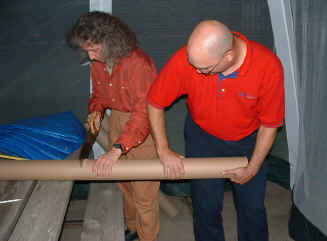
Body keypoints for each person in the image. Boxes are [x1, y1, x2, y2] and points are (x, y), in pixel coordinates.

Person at [147, 20, 285, 241]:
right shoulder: (190, 58)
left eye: (204, 69)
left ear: (228, 56)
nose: (196, 71)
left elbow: (269, 125)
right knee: (205, 208)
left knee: (252, 210)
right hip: (202, 138)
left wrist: (252, 168)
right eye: (194, 64)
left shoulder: (268, 67)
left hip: (249, 141)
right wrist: (163, 149)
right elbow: (155, 102)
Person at [66, 11, 160, 241]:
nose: (90, 55)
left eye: (94, 49)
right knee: (125, 185)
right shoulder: (98, 63)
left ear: (111, 41)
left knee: (144, 193)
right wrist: (94, 123)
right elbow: (98, 99)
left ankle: (148, 237)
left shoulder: (139, 64)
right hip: (118, 119)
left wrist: (116, 150)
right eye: (86, 49)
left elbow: (143, 114)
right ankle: (132, 229)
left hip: (144, 124)